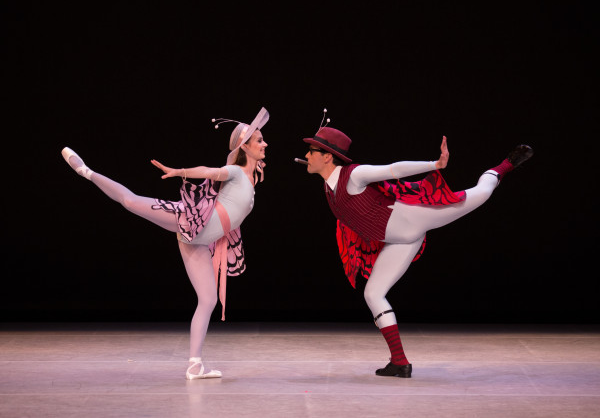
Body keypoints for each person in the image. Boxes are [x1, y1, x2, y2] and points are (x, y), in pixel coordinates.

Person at [301, 114, 533, 378]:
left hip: (415, 216)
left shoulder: (354, 175)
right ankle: (400, 362)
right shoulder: (327, 188)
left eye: (311, 151)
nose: (307, 156)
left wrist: (435, 164)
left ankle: (505, 166)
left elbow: (393, 169)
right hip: (401, 239)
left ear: (327, 156)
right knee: (373, 294)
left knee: (481, 194)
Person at [61, 107, 269, 380]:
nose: (265, 144)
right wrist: (179, 171)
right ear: (245, 147)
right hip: (189, 220)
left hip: (197, 241)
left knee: (208, 300)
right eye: (259, 140)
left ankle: (195, 365)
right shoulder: (236, 172)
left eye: (263, 139)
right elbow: (210, 171)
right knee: (131, 201)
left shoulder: (251, 179)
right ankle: (86, 171)